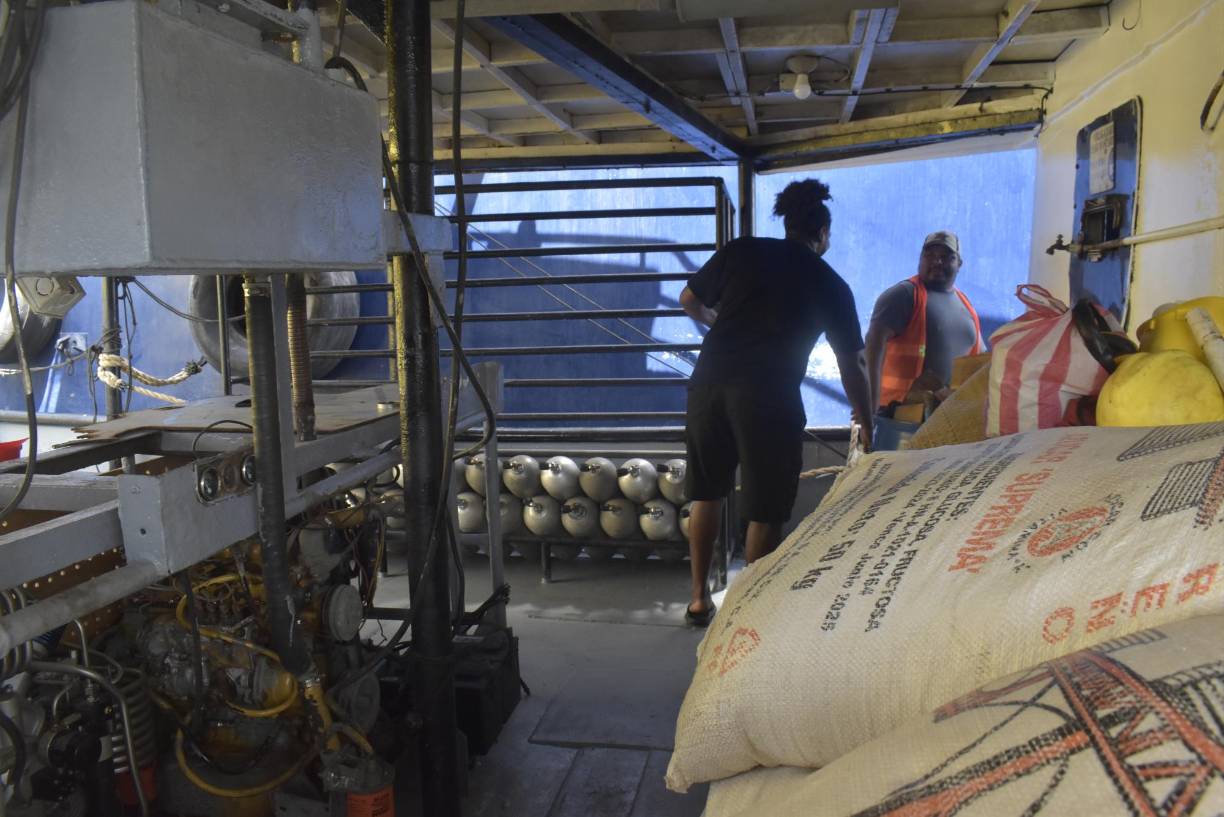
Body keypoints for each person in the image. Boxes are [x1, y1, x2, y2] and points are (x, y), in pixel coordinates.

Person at [678, 179, 874, 627]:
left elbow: (689, 298)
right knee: (764, 509)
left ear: (787, 225)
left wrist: (714, 323)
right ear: (822, 232)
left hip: (708, 385)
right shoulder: (830, 283)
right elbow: (854, 364)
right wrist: (866, 419)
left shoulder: (743, 250)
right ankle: (749, 613)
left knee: (706, 493)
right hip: (768, 397)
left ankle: (697, 601)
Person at [865, 231, 984, 413]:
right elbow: (872, 347)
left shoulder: (966, 307)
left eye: (946, 257)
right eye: (930, 255)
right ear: (920, 259)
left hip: (946, 418)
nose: (937, 262)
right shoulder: (903, 295)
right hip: (897, 416)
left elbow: (979, 363)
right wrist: (868, 403)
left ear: (959, 264)